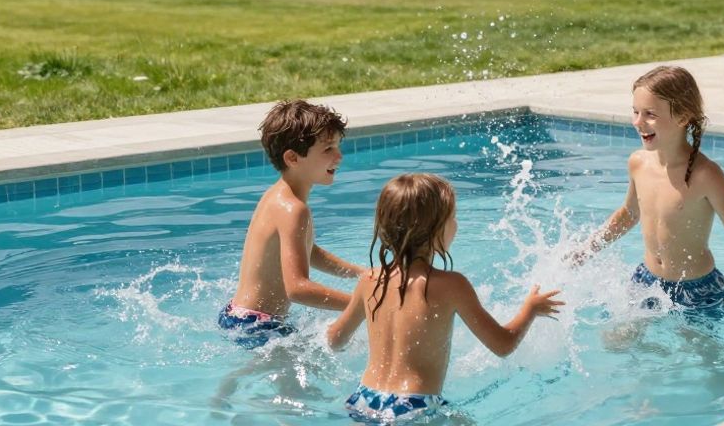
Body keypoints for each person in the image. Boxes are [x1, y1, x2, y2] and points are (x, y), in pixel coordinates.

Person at [578, 65, 724, 331]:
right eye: (636, 112)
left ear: (683, 116)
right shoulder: (638, 163)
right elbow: (628, 214)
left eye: (650, 114)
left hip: (697, 290)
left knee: (699, 361)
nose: (638, 122)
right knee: (617, 341)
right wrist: (586, 250)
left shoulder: (706, 175)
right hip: (647, 280)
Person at [327, 173, 563, 423]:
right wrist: (530, 309)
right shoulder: (452, 285)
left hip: (364, 400)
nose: (457, 224)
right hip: (413, 407)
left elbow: (335, 339)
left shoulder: (369, 280)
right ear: (435, 230)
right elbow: (503, 345)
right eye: (453, 218)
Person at [218, 100, 365, 349]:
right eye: (328, 149)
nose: (339, 156)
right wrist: (362, 304)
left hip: (239, 316)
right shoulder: (294, 210)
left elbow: (307, 251)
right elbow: (297, 289)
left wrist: (359, 274)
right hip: (259, 326)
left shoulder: (278, 196)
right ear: (293, 158)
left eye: (338, 146)